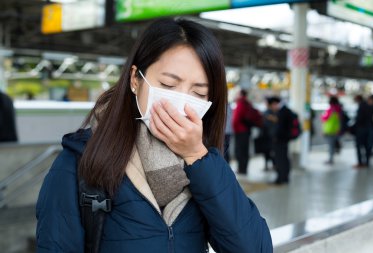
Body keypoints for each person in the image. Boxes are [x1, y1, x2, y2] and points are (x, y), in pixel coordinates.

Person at [36, 18, 272, 253]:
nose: (180, 103)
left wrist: (196, 156)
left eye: (198, 93)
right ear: (135, 80)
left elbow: (254, 248)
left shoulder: (205, 164)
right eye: (168, 85)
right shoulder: (78, 162)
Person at [232, 89, 262, 175]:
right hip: (246, 130)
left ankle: (242, 169)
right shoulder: (248, 103)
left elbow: (236, 118)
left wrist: (234, 128)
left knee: (240, 151)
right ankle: (243, 169)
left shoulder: (241, 103)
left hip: (241, 131)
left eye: (237, 93)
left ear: (241, 94)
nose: (236, 95)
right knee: (244, 150)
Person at [267, 96, 293, 185]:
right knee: (284, 158)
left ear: (275, 104)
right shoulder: (286, 111)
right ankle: (285, 177)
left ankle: (280, 178)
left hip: (280, 139)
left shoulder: (282, 112)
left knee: (280, 158)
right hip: (285, 139)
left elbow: (279, 128)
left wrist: (275, 137)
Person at [352, 95, 372, 169]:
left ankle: (360, 162)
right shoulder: (368, 106)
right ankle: (366, 162)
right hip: (368, 128)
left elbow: (359, 119)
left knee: (359, 146)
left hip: (361, 129)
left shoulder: (361, 106)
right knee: (366, 146)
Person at [321, 96, 342, 165]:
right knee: (332, 145)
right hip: (336, 129)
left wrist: (322, 115)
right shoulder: (339, 109)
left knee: (330, 145)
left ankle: (330, 159)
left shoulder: (331, 109)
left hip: (329, 129)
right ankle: (331, 158)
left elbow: (324, 118)